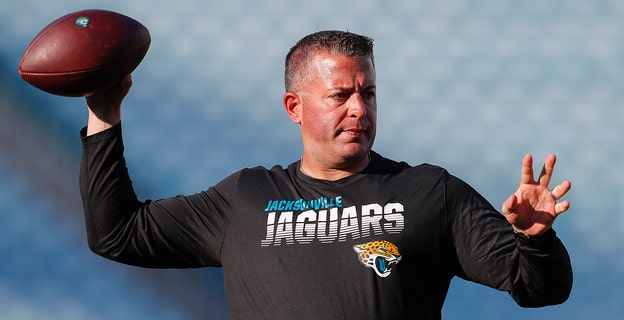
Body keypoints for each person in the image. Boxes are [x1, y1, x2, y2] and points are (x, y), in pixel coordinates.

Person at [80, 30, 572, 319]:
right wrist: (104, 115)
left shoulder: (428, 191)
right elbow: (117, 234)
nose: (359, 108)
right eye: (341, 96)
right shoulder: (245, 198)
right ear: (295, 107)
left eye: (369, 94)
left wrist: (534, 240)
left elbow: (541, 289)